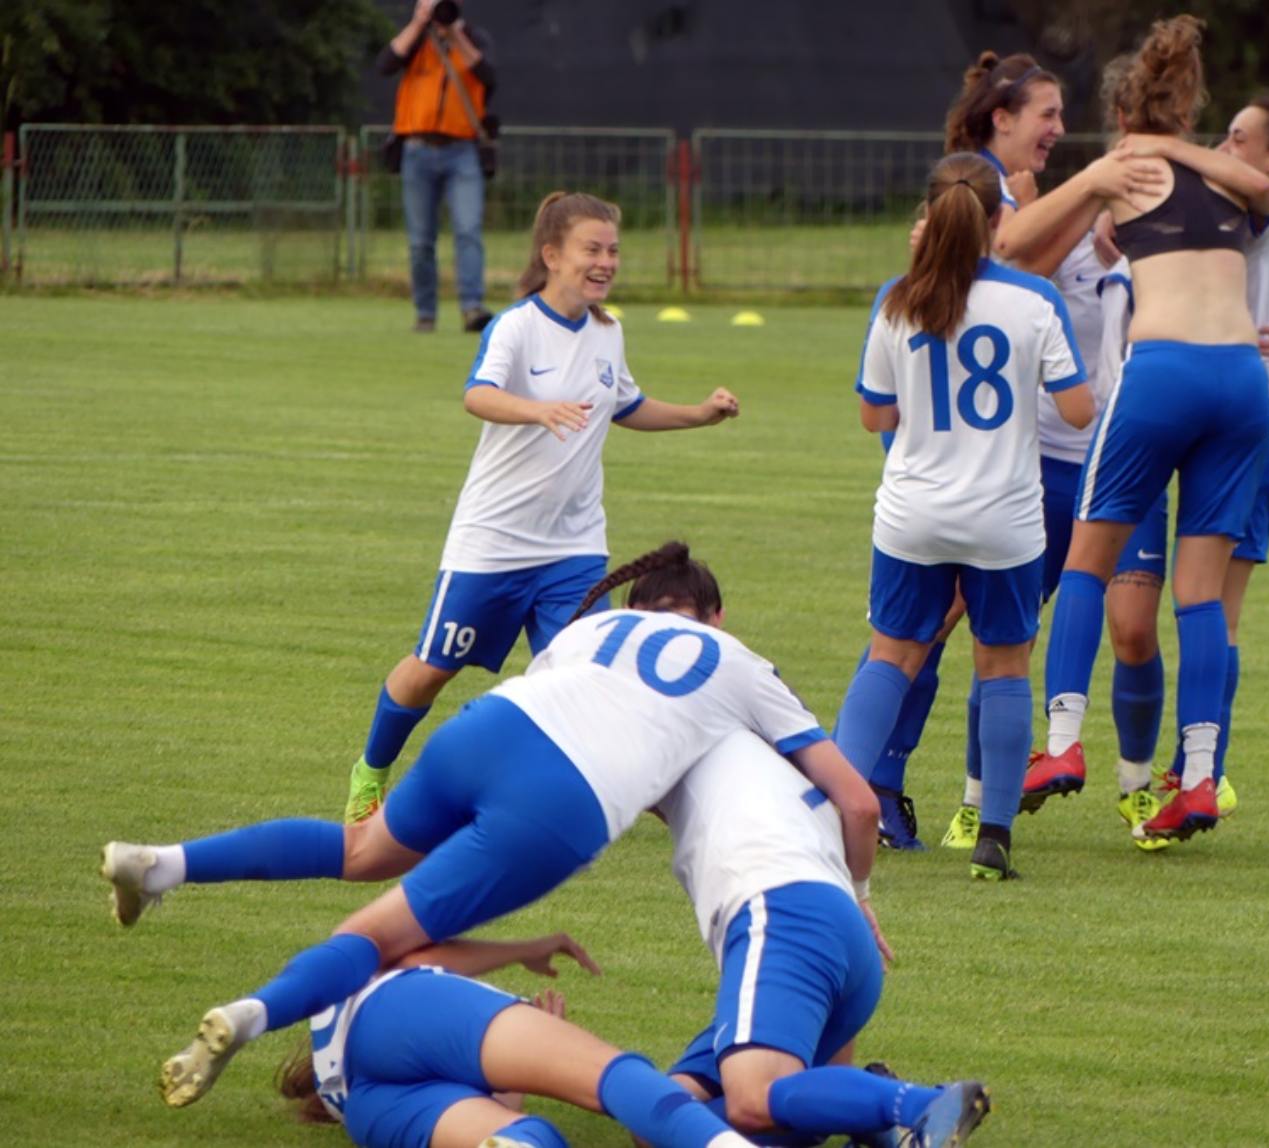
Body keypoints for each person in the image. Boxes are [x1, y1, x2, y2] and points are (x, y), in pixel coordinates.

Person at [100, 542, 877, 1111]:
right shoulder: (738, 662)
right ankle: (251, 1014)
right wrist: (861, 892)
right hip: (561, 798)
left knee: (361, 847)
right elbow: (856, 799)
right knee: (375, 936)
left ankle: (165, 863)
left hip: (488, 728)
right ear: (719, 616)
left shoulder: (591, 630)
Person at [345, 192, 740, 823]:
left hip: (574, 547)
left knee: (594, 677)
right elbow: (478, 395)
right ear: (552, 255)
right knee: (433, 669)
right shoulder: (517, 327)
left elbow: (627, 406)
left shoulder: (608, 332)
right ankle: (370, 775)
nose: (605, 261)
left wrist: (700, 413)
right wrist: (539, 410)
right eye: (592, 249)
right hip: (494, 542)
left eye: (613, 250)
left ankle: (622, 795)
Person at [1022, 14, 1269, 842]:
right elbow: (1268, 196)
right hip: (1243, 384)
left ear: (1122, 114)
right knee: (1200, 595)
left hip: (1164, 372)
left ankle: (1062, 743)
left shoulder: (1124, 167)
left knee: (1085, 563)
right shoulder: (1230, 178)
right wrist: (1176, 148)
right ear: (1192, 110)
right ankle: (1199, 779)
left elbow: (1016, 243)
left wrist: (1103, 175)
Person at [833, 152, 1093, 881]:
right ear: (1000, 219)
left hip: (912, 511)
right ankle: (994, 838)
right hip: (1005, 517)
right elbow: (1078, 410)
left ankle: (832, 814)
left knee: (891, 656)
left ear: (931, 215)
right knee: (1004, 665)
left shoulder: (898, 298)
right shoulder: (1035, 299)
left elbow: (873, 415)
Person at [1149, 90, 1269, 809]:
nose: (1222, 149)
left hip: (1252, 429)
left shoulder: (1265, 209)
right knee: (1216, 612)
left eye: (1237, 138)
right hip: (1262, 423)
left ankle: (1203, 773)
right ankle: (1196, 770)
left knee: (1212, 612)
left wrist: (1158, 146)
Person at [659, 730, 989, 1147]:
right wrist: (861, 895)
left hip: (789, 919)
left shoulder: (685, 729)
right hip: (844, 935)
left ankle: (923, 1104)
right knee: (664, 1120)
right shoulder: (770, 759)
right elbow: (857, 808)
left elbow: (864, 805)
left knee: (751, 1098)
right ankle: (872, 1121)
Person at [271, 931, 756, 1148]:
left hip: (371, 1111)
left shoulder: (348, 1090)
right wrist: (524, 950)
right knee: (609, 1077)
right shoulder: (369, 991)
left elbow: (501, 1104)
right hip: (394, 1013)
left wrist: (531, 1061)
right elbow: (416, 960)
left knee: (529, 1136)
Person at [381, 0, 497, 334]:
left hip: (462, 150)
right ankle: (425, 313)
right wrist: (419, 23)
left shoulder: (475, 38)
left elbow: (488, 76)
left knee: (468, 230)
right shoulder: (416, 40)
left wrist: (456, 35)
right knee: (420, 240)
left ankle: (472, 308)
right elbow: (386, 63)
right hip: (417, 150)